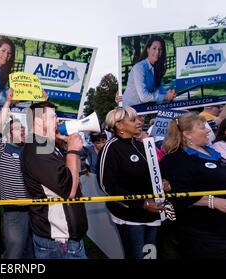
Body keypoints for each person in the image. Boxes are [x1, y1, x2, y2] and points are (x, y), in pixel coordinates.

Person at [21, 101, 88, 259]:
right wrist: (72, 150)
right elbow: (70, 191)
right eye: (53, 117)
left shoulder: (46, 146)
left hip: (64, 237)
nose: (57, 120)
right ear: (38, 120)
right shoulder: (38, 149)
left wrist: (69, 148)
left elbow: (72, 174)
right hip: (58, 241)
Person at [97, 106, 163, 259]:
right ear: (119, 125)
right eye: (133, 119)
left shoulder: (141, 145)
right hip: (130, 215)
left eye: (139, 118)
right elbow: (107, 186)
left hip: (153, 212)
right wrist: (141, 204)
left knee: (150, 255)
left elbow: (153, 173)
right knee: (137, 255)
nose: (140, 122)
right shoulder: (111, 148)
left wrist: (161, 182)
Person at [160, 112, 226, 258]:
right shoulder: (175, 160)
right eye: (202, 127)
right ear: (188, 135)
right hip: (202, 232)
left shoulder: (212, 152)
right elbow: (178, 194)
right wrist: (213, 201)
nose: (208, 130)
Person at [0, 89, 33, 259]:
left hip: (35, 210)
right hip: (14, 212)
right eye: (17, 129)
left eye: (22, 128)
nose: (22, 131)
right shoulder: (2, 150)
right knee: (14, 254)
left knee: (32, 252)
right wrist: (7, 102)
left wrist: (45, 102)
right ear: (8, 134)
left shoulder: (29, 150)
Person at [123, 36, 176, 107]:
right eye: (154, 48)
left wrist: (169, 94)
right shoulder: (139, 68)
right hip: (129, 110)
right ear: (148, 49)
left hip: (144, 109)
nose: (157, 52)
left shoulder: (157, 68)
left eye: (160, 49)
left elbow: (160, 90)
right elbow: (144, 97)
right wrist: (165, 97)